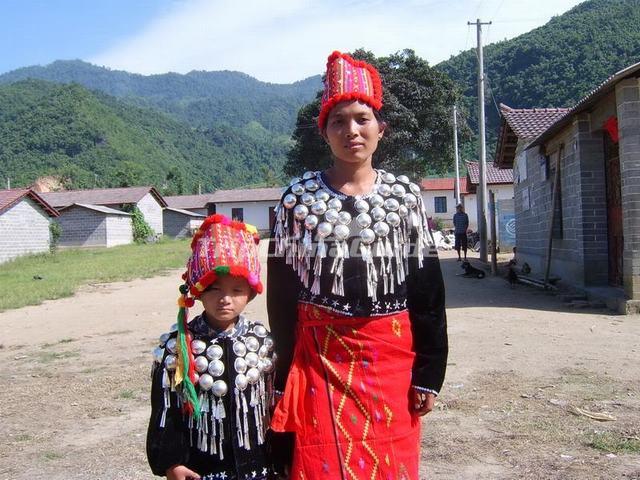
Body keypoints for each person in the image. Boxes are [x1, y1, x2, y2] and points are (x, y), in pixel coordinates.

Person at [267, 51, 448, 479]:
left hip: (391, 360)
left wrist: (429, 372)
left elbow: (428, 293)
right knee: (321, 462)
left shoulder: (405, 198)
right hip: (319, 361)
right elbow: (282, 296)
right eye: (339, 121)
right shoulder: (297, 201)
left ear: (380, 129)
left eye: (362, 118)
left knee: (392, 463)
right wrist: (282, 371)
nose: (352, 130)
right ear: (324, 134)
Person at [147, 214, 276, 480]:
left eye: (237, 290)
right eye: (214, 289)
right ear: (197, 291)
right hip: (201, 471)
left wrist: (284, 457)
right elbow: (165, 412)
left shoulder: (263, 342)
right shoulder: (177, 347)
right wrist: (172, 463)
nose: (225, 299)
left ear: (251, 293)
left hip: (261, 468)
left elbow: (277, 407)